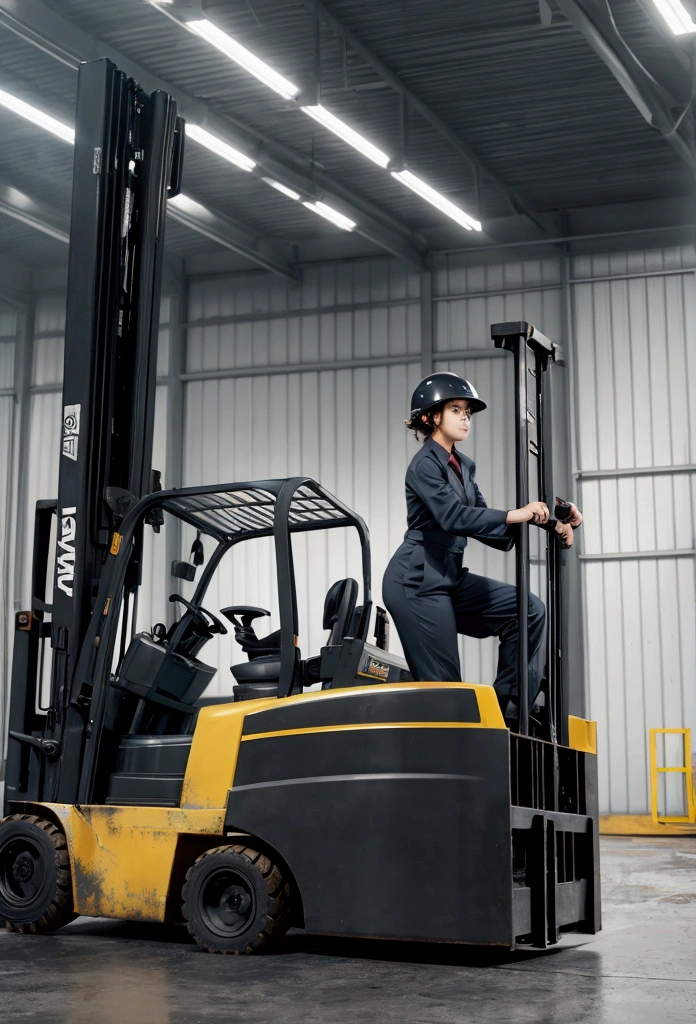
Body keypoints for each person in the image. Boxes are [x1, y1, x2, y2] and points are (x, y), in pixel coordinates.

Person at [382, 372, 582, 720]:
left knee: (529, 612)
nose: (465, 418)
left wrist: (551, 519)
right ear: (430, 417)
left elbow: (494, 530)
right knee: (446, 691)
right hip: (416, 583)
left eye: (468, 413)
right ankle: (454, 748)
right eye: (456, 410)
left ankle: (507, 711)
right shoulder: (424, 467)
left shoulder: (463, 467)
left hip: (449, 577)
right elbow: (455, 517)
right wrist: (514, 514)